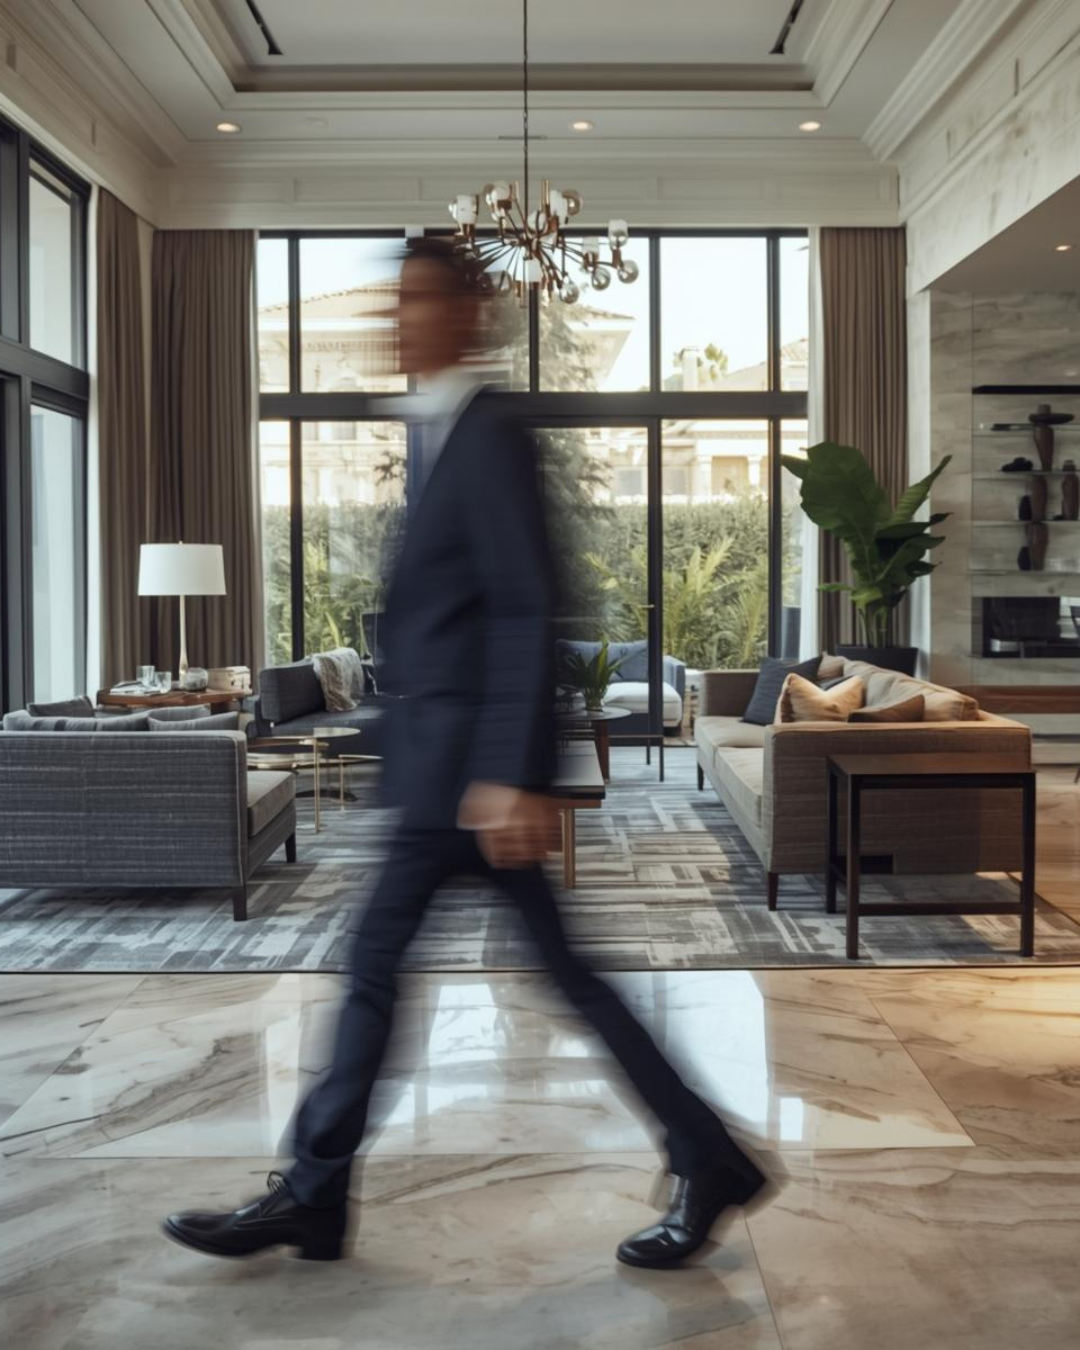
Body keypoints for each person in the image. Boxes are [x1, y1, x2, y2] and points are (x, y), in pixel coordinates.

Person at [163, 237, 771, 1270]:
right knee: (406, 974)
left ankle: (700, 1153)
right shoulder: (443, 433)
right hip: (439, 773)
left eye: (418, 300)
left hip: (470, 786)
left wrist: (510, 771)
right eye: (396, 300)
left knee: (483, 978)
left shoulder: (490, 433)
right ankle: (322, 1190)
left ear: (470, 313)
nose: (399, 320)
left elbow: (528, 605)